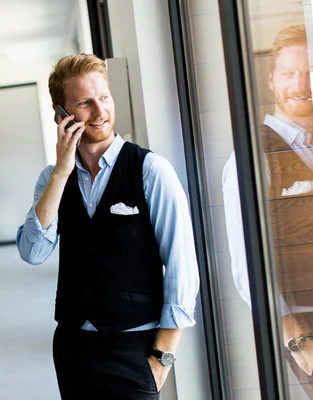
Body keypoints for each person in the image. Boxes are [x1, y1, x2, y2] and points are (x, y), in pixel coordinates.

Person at [16, 53, 199, 399]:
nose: (100, 112)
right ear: (61, 113)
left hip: (133, 346)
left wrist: (162, 356)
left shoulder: (151, 171)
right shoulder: (52, 179)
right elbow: (33, 251)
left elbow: (182, 268)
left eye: (104, 98)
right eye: (85, 102)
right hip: (72, 346)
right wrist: (60, 171)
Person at [222, 23, 313, 395]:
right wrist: (298, 338)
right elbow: (248, 264)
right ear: (272, 81)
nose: (301, 85)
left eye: (310, 73)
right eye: (290, 74)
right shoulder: (252, 155)